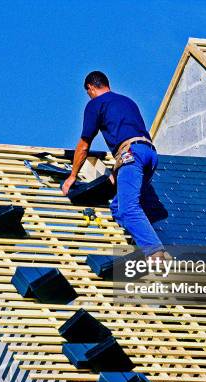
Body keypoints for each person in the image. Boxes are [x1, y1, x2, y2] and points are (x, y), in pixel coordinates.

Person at [61, 71, 169, 258]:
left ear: (91, 88)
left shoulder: (96, 104)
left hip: (131, 155)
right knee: (118, 207)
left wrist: (72, 176)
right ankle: (143, 237)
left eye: (88, 93)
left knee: (128, 208)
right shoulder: (127, 101)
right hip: (149, 154)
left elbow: (84, 144)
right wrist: (116, 171)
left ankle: (155, 253)